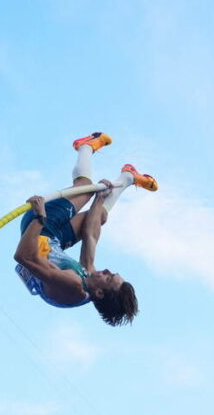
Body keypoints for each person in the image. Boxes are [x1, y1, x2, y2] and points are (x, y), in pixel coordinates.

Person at [14, 132, 158, 326]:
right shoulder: (89, 281)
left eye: (109, 278)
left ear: (99, 293)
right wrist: (100, 198)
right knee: (100, 216)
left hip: (40, 228)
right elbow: (90, 236)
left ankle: (85, 146)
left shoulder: (73, 286)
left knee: (85, 186)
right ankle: (127, 177)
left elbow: (24, 257)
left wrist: (39, 218)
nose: (106, 270)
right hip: (53, 238)